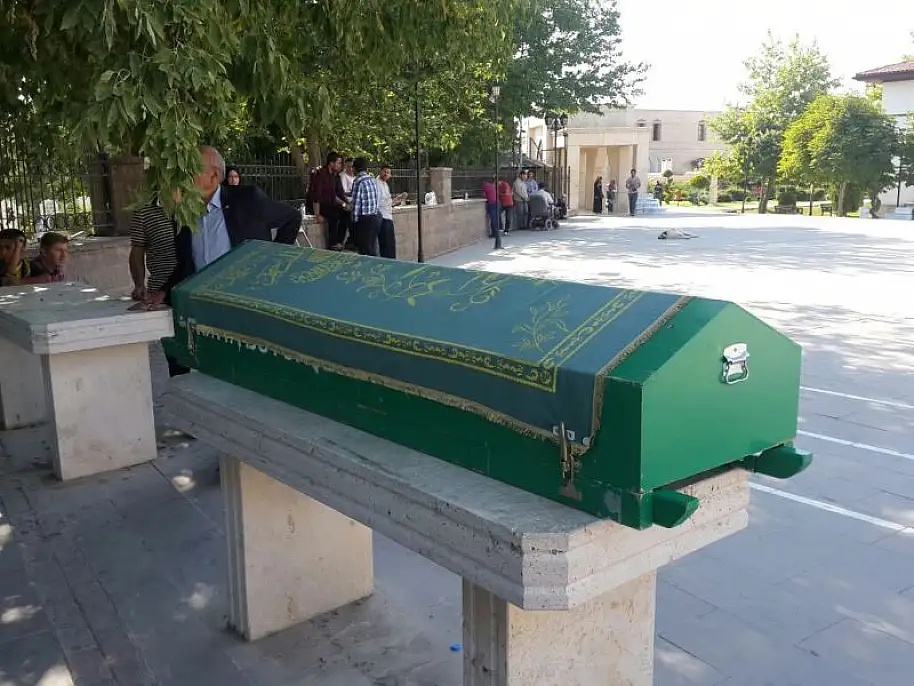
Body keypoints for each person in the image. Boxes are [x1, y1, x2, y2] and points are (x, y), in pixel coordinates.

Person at [159, 146, 301, 375]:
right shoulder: (184, 212)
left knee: (249, 369)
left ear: (214, 176)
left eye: (191, 170)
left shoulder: (247, 200)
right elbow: (186, 262)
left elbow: (292, 218)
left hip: (243, 302)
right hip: (204, 304)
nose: (184, 177)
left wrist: (271, 261)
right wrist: (163, 291)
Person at [129, 202, 177, 303]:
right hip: (159, 292)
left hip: (193, 287)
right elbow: (137, 250)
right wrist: (139, 285)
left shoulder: (194, 206)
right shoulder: (143, 212)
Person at [310, 152, 349, 250]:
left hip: (330, 203)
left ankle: (340, 242)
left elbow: (339, 194)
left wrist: (347, 204)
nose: (341, 165)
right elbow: (316, 195)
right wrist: (317, 214)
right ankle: (333, 243)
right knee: (334, 214)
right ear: (331, 163)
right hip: (319, 205)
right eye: (339, 163)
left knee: (347, 213)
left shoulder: (335, 176)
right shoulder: (320, 174)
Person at [349, 157, 382, 257]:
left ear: (354, 168)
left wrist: (353, 220)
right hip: (375, 216)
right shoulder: (372, 180)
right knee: (372, 248)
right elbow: (377, 198)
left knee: (364, 250)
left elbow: (356, 203)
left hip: (364, 219)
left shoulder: (358, 181)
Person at [377, 165, 406, 259]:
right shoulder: (376, 184)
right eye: (384, 171)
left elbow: (389, 202)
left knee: (390, 245)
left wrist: (398, 199)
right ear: (380, 171)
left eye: (388, 173)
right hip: (382, 217)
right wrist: (393, 200)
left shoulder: (385, 185)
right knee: (385, 246)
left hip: (388, 216)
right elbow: (379, 202)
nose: (386, 174)